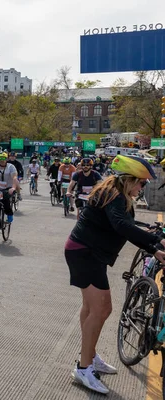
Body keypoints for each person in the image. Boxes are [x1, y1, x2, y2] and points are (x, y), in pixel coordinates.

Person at [65, 154, 165, 394]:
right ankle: (83, 368)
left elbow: (119, 222)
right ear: (130, 179)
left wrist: (148, 233)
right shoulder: (113, 195)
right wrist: (155, 242)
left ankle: (89, 355)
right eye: (141, 183)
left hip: (88, 253)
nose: (142, 188)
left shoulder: (116, 193)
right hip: (85, 253)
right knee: (102, 309)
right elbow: (120, 225)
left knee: (92, 309)